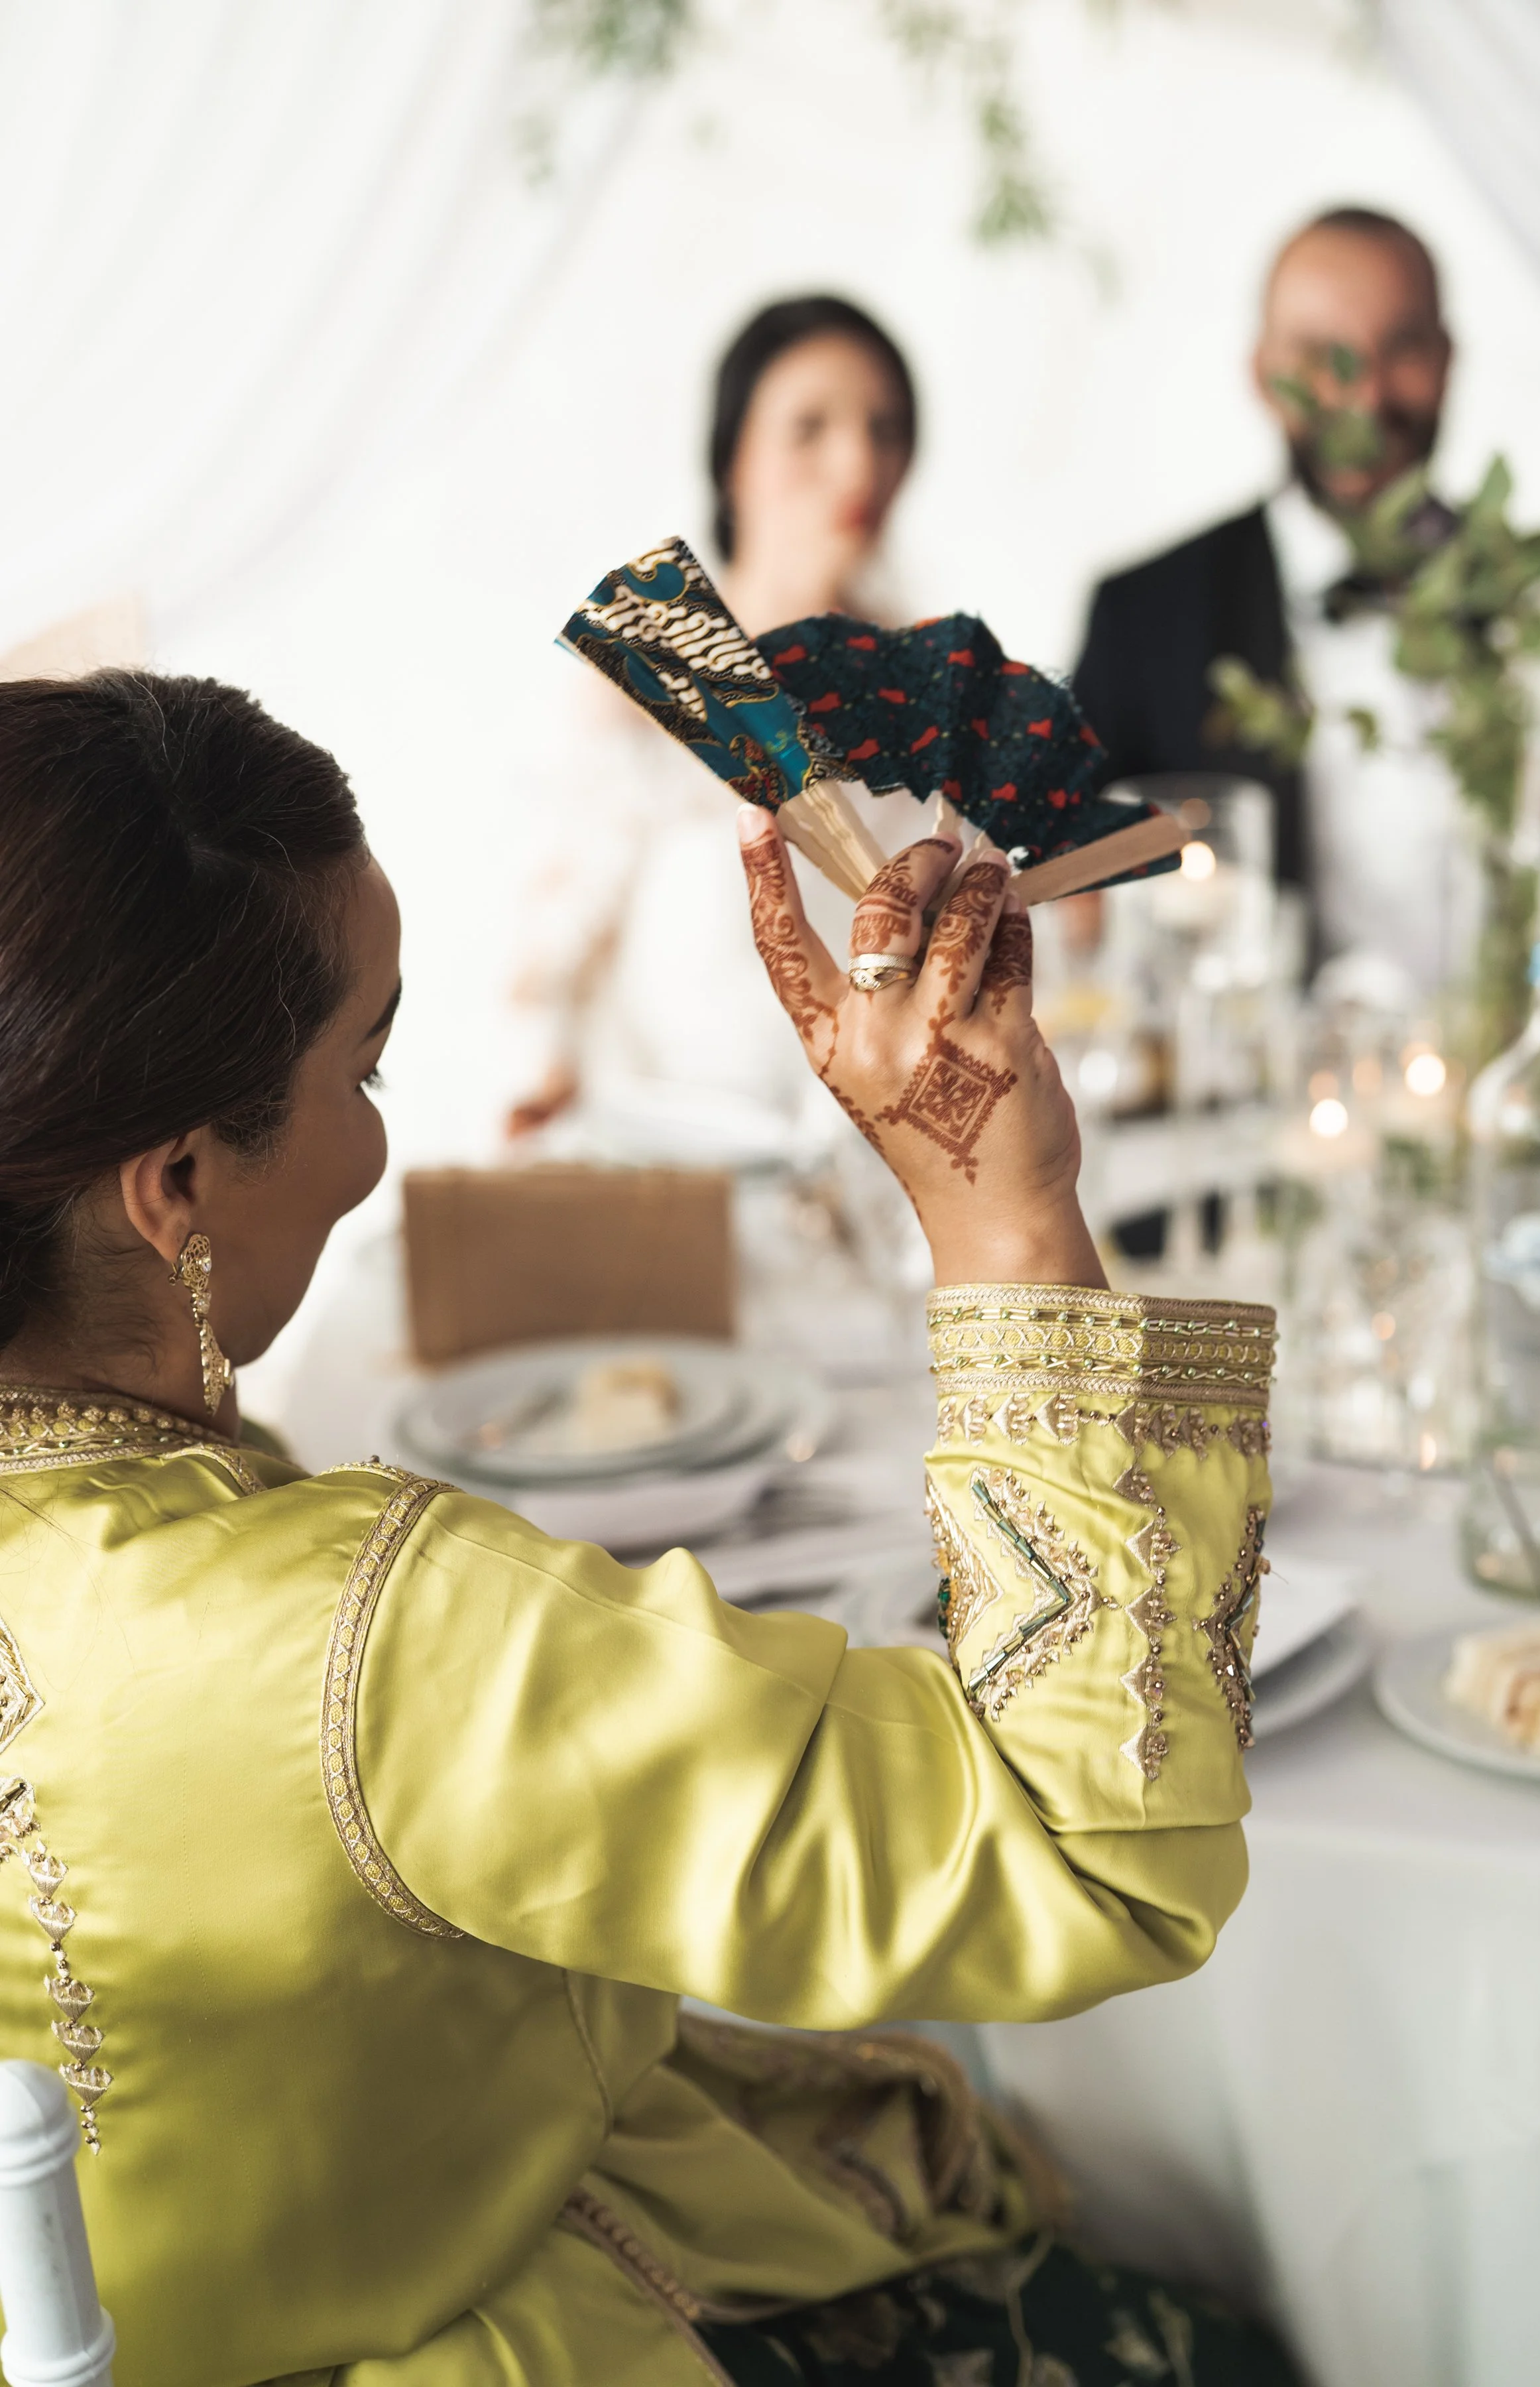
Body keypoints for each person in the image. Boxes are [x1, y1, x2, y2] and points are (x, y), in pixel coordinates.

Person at [0, 670, 1292, 2385]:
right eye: (365, 1068)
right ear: (175, 1189)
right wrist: (1007, 1221)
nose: (379, 1154)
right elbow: (1084, 1854)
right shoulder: (370, 1641)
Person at [506, 294, 924, 1154]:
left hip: (884, 1171)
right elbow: (548, 956)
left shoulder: (925, 687)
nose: (857, 464)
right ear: (734, 458)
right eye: (810, 428)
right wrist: (536, 1085)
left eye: (885, 430)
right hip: (680, 1173)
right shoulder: (649, 658)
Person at [1074, 205, 1466, 998]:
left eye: (1402, 346)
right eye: (1323, 354)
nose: (1363, 394)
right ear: (1261, 372)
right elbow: (1069, 900)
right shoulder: (1142, 614)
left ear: (1447, 360)